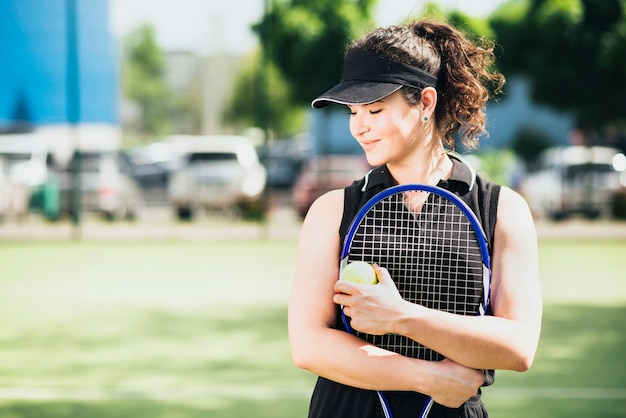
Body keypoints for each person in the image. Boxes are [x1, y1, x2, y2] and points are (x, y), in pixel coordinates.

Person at [288, 19, 542, 418]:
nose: (359, 126)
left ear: (425, 102)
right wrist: (424, 376)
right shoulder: (332, 209)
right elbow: (308, 345)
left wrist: (400, 316)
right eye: (353, 111)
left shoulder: (502, 208)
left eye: (374, 108)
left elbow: (518, 346)